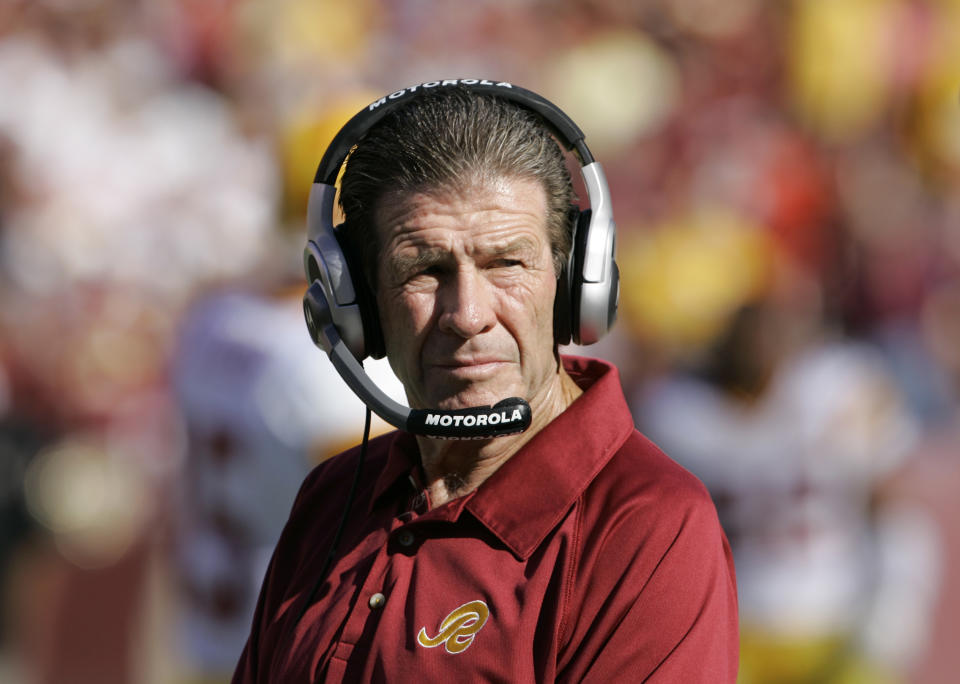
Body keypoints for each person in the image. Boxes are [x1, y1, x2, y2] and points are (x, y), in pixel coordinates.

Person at [232, 82, 738, 683]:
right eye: (424, 269)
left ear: (577, 285)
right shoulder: (331, 497)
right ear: (357, 302)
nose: (468, 314)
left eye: (506, 263)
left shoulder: (650, 527)